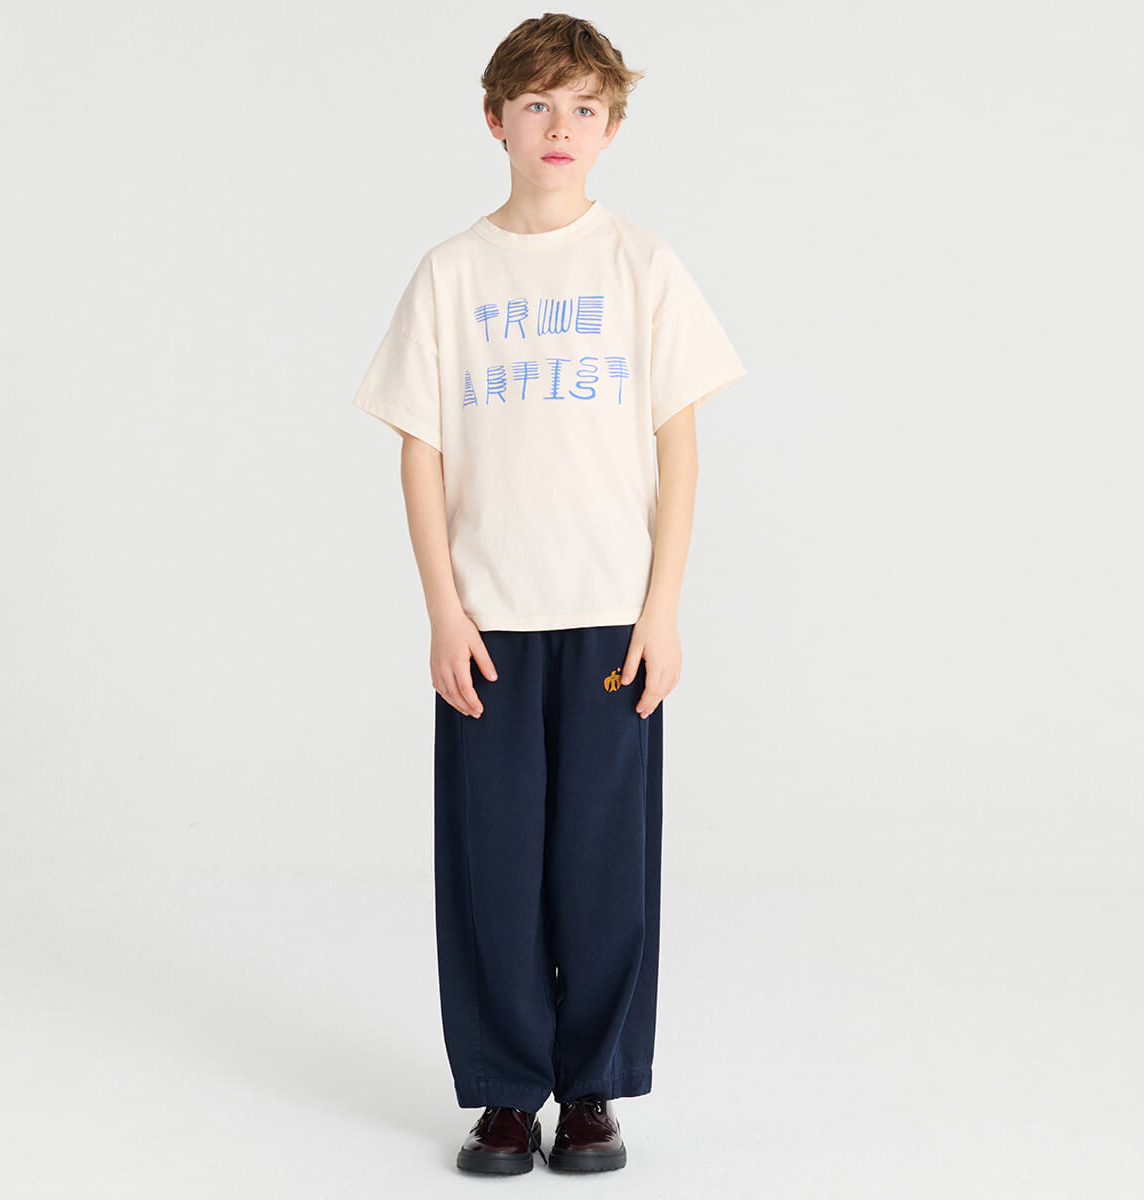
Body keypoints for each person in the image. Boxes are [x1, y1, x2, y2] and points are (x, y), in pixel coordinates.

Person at [350, 12, 746, 1176]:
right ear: (496, 120)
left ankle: (594, 1090)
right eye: (536, 105)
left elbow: (680, 448)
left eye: (582, 108)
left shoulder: (642, 267)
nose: (558, 127)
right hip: (491, 623)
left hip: (612, 616)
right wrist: (443, 609)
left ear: (611, 127)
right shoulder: (452, 274)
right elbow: (420, 451)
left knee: (603, 866)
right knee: (493, 863)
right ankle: (506, 1092)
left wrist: (663, 609)